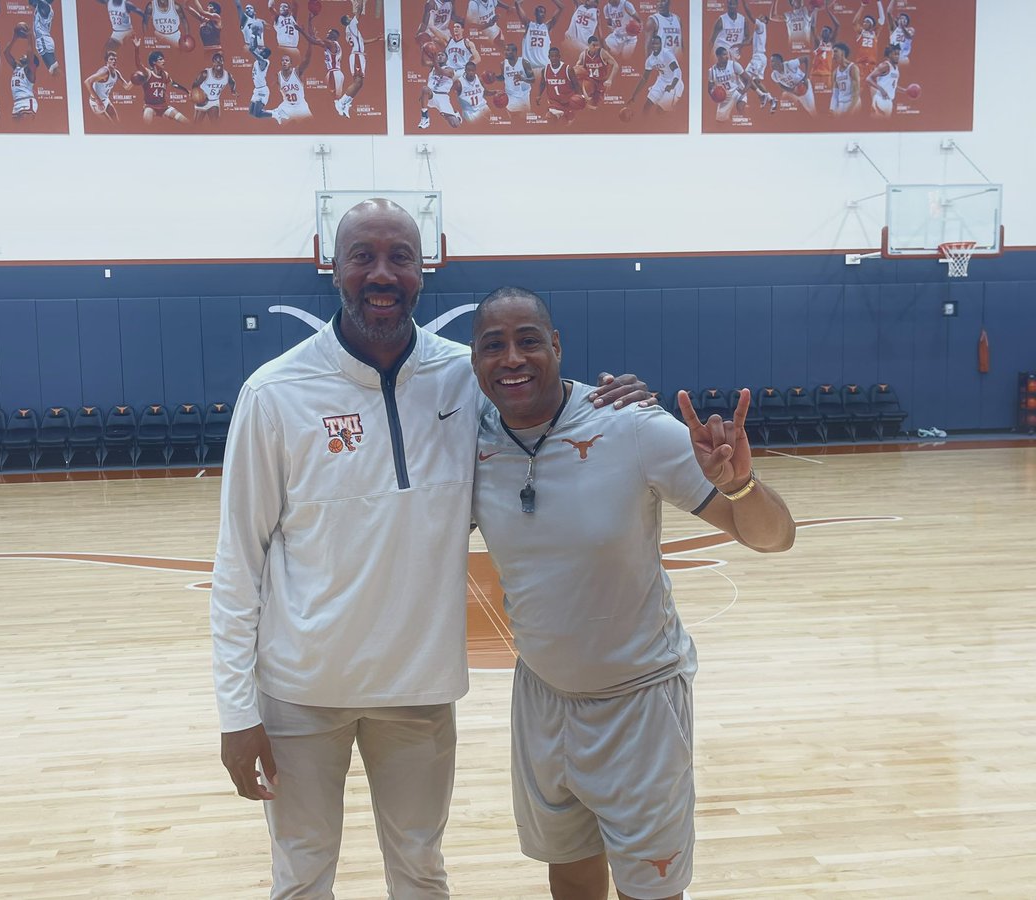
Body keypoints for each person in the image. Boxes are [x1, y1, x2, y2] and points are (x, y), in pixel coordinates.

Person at [211, 199, 652, 900]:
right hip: (300, 690)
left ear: (423, 272)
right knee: (300, 873)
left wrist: (617, 401)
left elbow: (546, 413)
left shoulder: (465, 377)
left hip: (418, 688)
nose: (381, 273)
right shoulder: (274, 394)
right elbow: (238, 567)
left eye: (399, 257)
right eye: (363, 256)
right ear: (334, 268)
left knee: (420, 869)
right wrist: (237, 715)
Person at [468, 286, 795, 900]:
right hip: (542, 697)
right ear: (475, 361)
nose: (512, 358)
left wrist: (743, 485)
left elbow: (774, 539)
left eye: (529, 340)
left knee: (652, 892)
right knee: (568, 877)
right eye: (494, 345)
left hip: (640, 703)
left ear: (558, 347)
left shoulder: (631, 425)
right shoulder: (470, 442)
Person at [623, 31, 680, 115]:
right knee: (647, 106)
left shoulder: (666, 54)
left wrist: (672, 85)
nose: (655, 46)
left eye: (657, 44)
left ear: (661, 44)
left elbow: (677, 71)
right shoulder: (650, 60)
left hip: (675, 82)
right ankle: (644, 125)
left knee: (660, 111)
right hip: (662, 80)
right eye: (653, 44)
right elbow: (644, 79)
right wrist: (634, 95)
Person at [84, 47, 130, 121]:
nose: (114, 61)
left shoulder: (116, 73)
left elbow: (127, 87)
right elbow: (87, 82)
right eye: (111, 59)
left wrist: (135, 80)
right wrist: (98, 100)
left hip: (105, 99)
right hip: (96, 102)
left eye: (115, 59)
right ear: (106, 61)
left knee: (116, 122)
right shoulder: (104, 72)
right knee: (109, 125)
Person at [515, 0, 563, 70]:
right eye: (540, 11)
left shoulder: (547, 26)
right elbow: (517, 4)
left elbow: (561, 7)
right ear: (535, 13)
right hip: (528, 67)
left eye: (544, 12)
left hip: (543, 66)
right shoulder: (529, 25)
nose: (543, 14)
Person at [191, 49, 235, 121]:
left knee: (215, 124)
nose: (218, 63)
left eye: (220, 61)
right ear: (213, 63)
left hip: (214, 101)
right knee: (197, 124)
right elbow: (195, 84)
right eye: (216, 61)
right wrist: (196, 95)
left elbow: (232, 82)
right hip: (202, 101)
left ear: (223, 62)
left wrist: (233, 91)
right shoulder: (205, 73)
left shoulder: (227, 75)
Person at [708, 44, 747, 123]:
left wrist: (743, 91)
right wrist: (714, 95)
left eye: (727, 54)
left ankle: (745, 130)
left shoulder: (734, 65)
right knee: (720, 121)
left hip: (737, 91)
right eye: (724, 54)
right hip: (725, 96)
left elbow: (748, 80)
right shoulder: (712, 71)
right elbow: (709, 87)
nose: (727, 56)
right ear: (718, 56)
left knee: (740, 110)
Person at [865, 41, 899, 118]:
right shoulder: (885, 65)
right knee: (877, 125)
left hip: (889, 101)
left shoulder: (896, 68)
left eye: (898, 54)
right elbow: (868, 79)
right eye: (895, 54)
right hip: (880, 100)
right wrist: (881, 90)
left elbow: (893, 85)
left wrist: (905, 90)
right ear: (889, 55)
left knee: (885, 126)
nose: (897, 56)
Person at [828, 40, 859, 117]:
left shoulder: (852, 68)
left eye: (835, 51)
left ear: (843, 52)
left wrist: (850, 111)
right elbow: (835, 94)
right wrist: (832, 109)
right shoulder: (835, 72)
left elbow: (856, 93)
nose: (833, 54)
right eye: (832, 52)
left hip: (852, 103)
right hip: (841, 104)